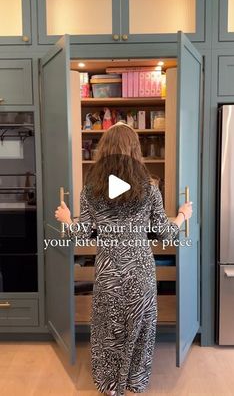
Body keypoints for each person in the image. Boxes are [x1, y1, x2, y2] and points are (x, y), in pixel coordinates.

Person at [55, 123, 192, 396]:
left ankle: (110, 385)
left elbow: (82, 235)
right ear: (134, 151)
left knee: (109, 329)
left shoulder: (91, 191)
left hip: (108, 274)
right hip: (140, 271)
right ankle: (135, 382)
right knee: (141, 327)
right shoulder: (148, 188)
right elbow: (165, 233)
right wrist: (183, 215)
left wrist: (66, 220)